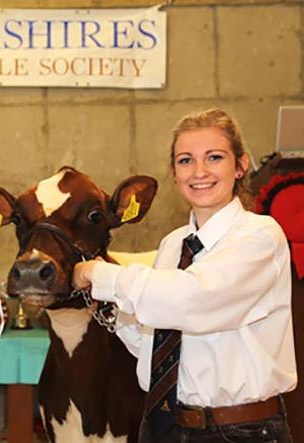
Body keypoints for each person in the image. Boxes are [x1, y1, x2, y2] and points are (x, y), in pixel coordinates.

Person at [73, 107, 296, 442]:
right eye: (186, 160)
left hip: (239, 431)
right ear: (174, 173)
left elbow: (195, 300)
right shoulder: (173, 244)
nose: (199, 172)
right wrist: (109, 308)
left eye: (215, 157)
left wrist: (99, 273)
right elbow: (158, 339)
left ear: (241, 165)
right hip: (165, 426)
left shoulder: (260, 236)